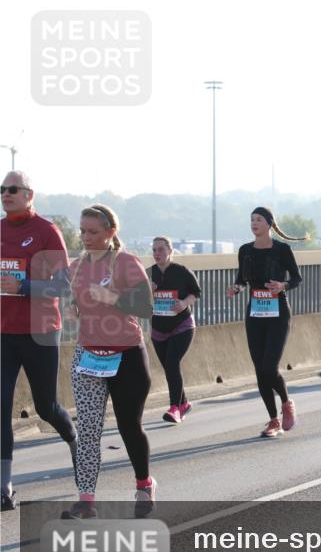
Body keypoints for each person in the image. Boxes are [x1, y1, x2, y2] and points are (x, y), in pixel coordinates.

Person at [65, 204, 154, 519]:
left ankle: (144, 484)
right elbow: (75, 302)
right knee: (88, 431)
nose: (86, 237)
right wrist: (72, 310)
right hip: (88, 355)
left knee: (130, 426)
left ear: (110, 233)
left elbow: (146, 307)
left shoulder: (126, 263)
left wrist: (112, 298)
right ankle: (86, 501)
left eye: (93, 232)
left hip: (126, 355)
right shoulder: (75, 267)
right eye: (82, 231)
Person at [0, 171, 77, 511]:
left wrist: (25, 287)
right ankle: (4, 487)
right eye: (2, 189)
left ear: (30, 194)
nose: (6, 194)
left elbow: (63, 287)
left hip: (41, 329)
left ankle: (77, 445)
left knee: (46, 407)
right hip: (3, 332)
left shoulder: (47, 231)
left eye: (12, 189)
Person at [226, 207, 304, 438]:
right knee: (260, 370)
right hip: (255, 314)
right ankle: (273, 421)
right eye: (251, 220)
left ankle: (287, 402)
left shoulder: (282, 250)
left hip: (278, 312)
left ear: (269, 224)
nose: (254, 223)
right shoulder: (245, 251)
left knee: (270, 367)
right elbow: (242, 279)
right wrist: (236, 288)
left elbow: (297, 278)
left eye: (259, 219)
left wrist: (283, 286)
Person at [148, 237, 201, 423]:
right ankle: (184, 403)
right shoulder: (148, 274)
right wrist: (147, 291)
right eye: (154, 250)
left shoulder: (182, 271)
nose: (157, 253)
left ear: (170, 250)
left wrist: (184, 303)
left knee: (172, 363)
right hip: (158, 329)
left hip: (182, 325)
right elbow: (136, 300)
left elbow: (197, 292)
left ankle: (174, 408)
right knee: (169, 369)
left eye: (161, 249)